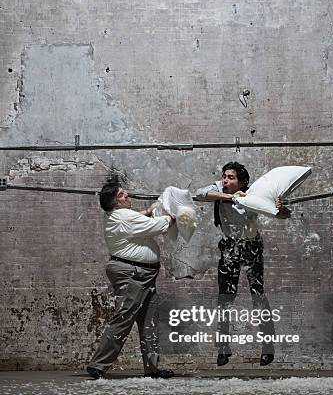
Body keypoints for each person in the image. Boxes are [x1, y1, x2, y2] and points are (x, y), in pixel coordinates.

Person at [196, 162, 290, 367]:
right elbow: (200, 193)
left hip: (251, 247)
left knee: (258, 296)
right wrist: (230, 197)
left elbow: (283, 215)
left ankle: (268, 347)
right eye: (224, 176)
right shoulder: (220, 190)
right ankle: (223, 349)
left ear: (242, 182)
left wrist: (281, 208)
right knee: (225, 299)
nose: (225, 180)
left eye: (231, 178)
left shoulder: (255, 195)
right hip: (230, 247)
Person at [86, 176, 175, 379]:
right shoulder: (124, 216)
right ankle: (98, 365)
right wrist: (175, 214)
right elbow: (159, 226)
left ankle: (152, 369)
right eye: (121, 194)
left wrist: (148, 211)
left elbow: (137, 220)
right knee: (123, 318)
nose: (127, 194)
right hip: (133, 273)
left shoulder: (118, 216)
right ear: (115, 202)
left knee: (149, 322)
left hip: (144, 274)